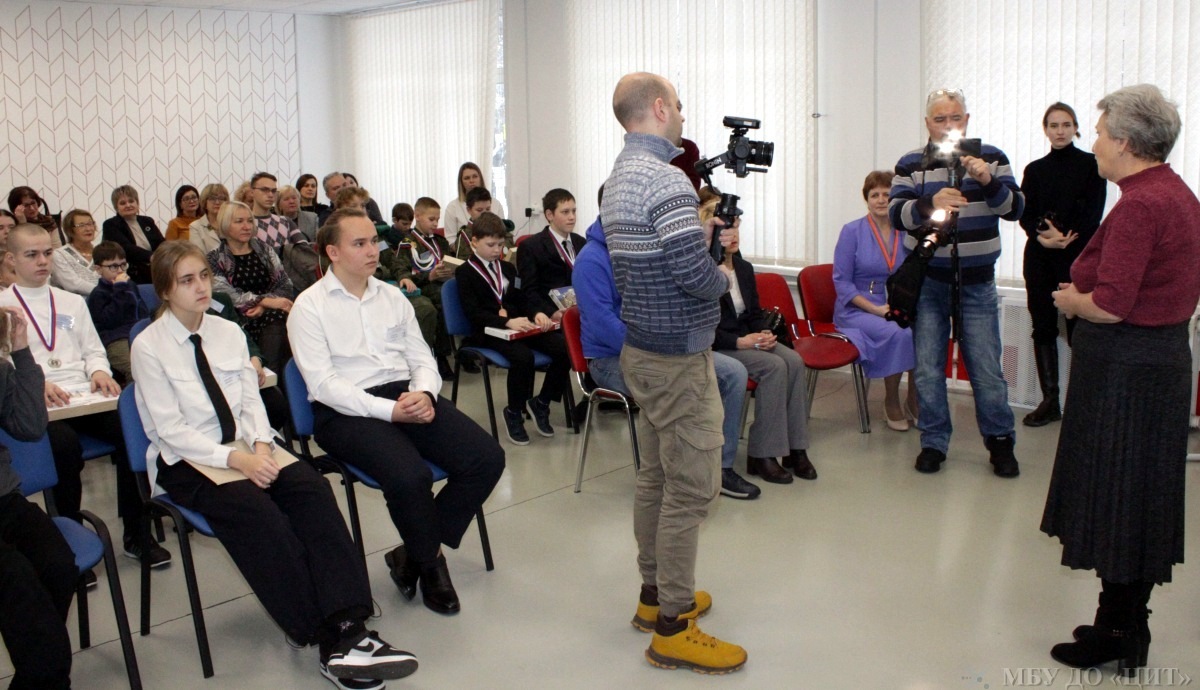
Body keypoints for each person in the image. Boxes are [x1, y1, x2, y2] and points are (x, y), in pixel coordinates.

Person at [133, 241, 417, 689]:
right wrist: (240, 460)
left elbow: (252, 400)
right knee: (260, 516)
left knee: (312, 491)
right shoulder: (148, 346)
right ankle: (326, 637)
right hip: (190, 459)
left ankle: (349, 622)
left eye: (204, 276)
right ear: (165, 291)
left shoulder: (226, 331)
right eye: (187, 281)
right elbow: (170, 431)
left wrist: (263, 448)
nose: (201, 287)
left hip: (251, 444)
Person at [1040, 84, 1200, 677]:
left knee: (1118, 498)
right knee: (1138, 499)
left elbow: (1111, 304)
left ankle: (1117, 631)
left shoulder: (1141, 204)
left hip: (1126, 374)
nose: (1096, 143)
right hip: (1156, 366)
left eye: (1102, 132)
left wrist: (1072, 302)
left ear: (1127, 142)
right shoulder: (1173, 192)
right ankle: (1127, 624)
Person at [288, 208, 504, 616]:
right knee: (409, 476)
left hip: (404, 394)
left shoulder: (391, 297)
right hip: (344, 410)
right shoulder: (309, 307)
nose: (373, 250)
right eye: (359, 243)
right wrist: (391, 411)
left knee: (486, 458)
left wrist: (424, 392)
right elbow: (324, 385)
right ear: (333, 252)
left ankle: (412, 552)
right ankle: (431, 563)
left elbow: (421, 357)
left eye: (374, 241)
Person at [601, 72, 746, 674]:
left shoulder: (620, 177)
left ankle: (653, 594)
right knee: (690, 489)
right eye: (679, 106)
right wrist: (724, 270)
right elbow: (693, 276)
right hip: (679, 361)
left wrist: (699, 236)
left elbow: (661, 256)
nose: (684, 116)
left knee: (656, 478)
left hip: (643, 351)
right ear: (660, 108)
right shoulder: (666, 181)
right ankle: (673, 626)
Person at [0, 224, 169, 568]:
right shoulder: (3, 306)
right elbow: (4, 364)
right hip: (39, 403)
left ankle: (136, 533)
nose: (42, 261)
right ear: (11, 259)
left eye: (47, 253)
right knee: (63, 447)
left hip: (81, 396)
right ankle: (68, 539)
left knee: (130, 430)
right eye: (31, 255)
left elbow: (94, 349)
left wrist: (99, 372)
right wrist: (33, 384)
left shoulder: (72, 302)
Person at [573, 188, 758, 500]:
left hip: (657, 347)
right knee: (678, 381)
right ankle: (680, 474)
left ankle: (720, 467)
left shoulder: (641, 245)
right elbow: (604, 324)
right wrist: (656, 347)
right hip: (611, 360)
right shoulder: (591, 260)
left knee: (733, 372)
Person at [889, 88, 1024, 478]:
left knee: (985, 368)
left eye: (955, 118)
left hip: (977, 283)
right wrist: (930, 204)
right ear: (927, 123)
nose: (948, 125)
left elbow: (1015, 209)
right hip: (929, 283)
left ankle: (1000, 442)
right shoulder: (911, 163)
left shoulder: (992, 158)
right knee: (928, 369)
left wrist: (987, 181)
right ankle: (933, 442)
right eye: (940, 119)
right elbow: (896, 215)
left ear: (967, 120)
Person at [703, 197, 816, 484]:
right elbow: (704, 328)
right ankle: (762, 453)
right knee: (773, 367)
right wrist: (742, 342)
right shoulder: (704, 272)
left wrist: (764, 333)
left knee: (794, 360)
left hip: (747, 339)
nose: (734, 235)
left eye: (736, 228)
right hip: (723, 344)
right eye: (728, 229)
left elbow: (753, 314)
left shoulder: (743, 268)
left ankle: (795, 448)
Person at [0, 303, 77, 690]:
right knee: (18, 582)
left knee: (58, 565)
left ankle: (38, 673)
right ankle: (46, 672)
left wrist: (19, 350)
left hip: (4, 499)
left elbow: (30, 426)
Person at [1018, 102, 1107, 427]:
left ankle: (1082, 405)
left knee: (1079, 331)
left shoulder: (1091, 165)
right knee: (1042, 327)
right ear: (1045, 129)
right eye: (1054, 125)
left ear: (1076, 128)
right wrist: (1042, 236)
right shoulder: (1035, 170)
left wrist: (1066, 237)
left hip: (1078, 256)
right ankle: (1050, 401)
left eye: (1066, 124)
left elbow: (1094, 213)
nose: (1060, 131)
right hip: (1040, 257)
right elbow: (1025, 213)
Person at [455, 212, 571, 445]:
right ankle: (514, 412)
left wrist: (537, 313)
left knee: (564, 347)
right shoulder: (465, 272)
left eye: (500, 244)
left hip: (518, 326)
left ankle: (542, 403)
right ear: (474, 241)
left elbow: (523, 298)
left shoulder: (507, 269)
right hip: (487, 331)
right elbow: (473, 313)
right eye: (490, 245)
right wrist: (505, 321)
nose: (497, 250)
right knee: (523, 357)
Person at [833, 171, 918, 431]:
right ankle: (891, 400)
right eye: (875, 195)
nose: (881, 200)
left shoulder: (906, 231)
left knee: (925, 331)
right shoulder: (852, 231)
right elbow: (842, 283)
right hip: (857, 308)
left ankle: (914, 400)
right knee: (899, 332)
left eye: (887, 194)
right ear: (867, 199)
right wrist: (876, 309)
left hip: (897, 303)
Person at [207, 201, 295, 372]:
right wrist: (265, 301)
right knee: (277, 319)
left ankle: (274, 376)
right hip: (239, 318)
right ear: (225, 225)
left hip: (271, 313)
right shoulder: (214, 258)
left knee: (281, 318)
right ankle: (273, 377)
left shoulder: (265, 250)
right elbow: (227, 295)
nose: (247, 226)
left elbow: (285, 285)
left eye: (249, 221)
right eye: (239, 221)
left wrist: (264, 305)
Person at [389, 197, 457, 378]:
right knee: (442, 303)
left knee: (458, 296)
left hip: (443, 284)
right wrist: (429, 276)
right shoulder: (408, 243)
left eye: (437, 219)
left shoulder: (440, 242)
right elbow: (400, 269)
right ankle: (440, 357)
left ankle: (464, 350)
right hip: (424, 286)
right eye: (431, 219)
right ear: (417, 216)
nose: (435, 223)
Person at [86, 241, 151, 384]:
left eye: (123, 265)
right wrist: (119, 289)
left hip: (139, 335)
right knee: (136, 368)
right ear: (98, 269)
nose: (120, 270)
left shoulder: (130, 286)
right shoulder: (98, 294)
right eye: (113, 266)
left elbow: (142, 312)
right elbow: (109, 321)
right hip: (115, 340)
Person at [518, 188, 584, 322]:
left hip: (582, 314)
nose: (572, 217)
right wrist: (550, 312)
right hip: (551, 319)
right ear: (549, 215)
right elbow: (529, 291)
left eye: (574, 211)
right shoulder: (531, 247)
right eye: (565, 212)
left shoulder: (582, 242)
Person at [101, 185, 164, 284]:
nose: (128, 205)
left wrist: (165, 255)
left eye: (131, 201)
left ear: (137, 203)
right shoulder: (110, 225)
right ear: (116, 207)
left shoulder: (147, 221)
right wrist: (152, 257)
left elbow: (161, 243)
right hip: (131, 274)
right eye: (123, 203)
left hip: (156, 269)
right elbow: (126, 248)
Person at [443, 162, 506, 248]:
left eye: (475, 176)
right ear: (461, 182)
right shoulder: (452, 207)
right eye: (467, 178)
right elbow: (450, 240)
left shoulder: (495, 203)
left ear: (480, 179)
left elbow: (503, 232)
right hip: (465, 251)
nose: (471, 181)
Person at [248, 173, 307, 255]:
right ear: (252, 192)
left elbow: (304, 249)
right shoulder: (246, 224)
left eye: (273, 191)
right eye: (264, 190)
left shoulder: (286, 221)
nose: (270, 195)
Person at [50, 209, 101, 296]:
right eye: (81, 225)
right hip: (75, 302)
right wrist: (105, 291)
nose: (88, 229)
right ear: (70, 230)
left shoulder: (103, 250)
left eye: (90, 224)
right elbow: (73, 284)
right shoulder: (59, 255)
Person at [188, 183, 229, 254]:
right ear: (204, 202)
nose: (217, 202)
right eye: (212, 198)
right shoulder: (196, 227)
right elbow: (199, 255)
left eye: (221, 198)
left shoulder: (232, 223)